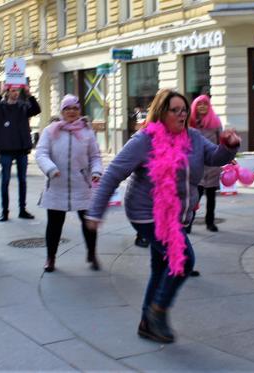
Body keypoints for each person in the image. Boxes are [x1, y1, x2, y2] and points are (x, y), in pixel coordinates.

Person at [86, 89, 240, 343]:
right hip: (146, 212)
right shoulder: (144, 140)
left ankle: (148, 323)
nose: (181, 115)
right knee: (183, 260)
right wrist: (95, 211)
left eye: (184, 110)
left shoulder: (194, 137)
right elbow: (113, 173)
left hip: (177, 213)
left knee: (161, 268)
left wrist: (229, 145)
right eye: (175, 110)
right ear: (161, 113)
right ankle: (158, 311)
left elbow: (214, 157)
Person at [35, 95, 103, 272]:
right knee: (54, 224)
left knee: (89, 222)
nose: (71, 112)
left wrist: (96, 172)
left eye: (74, 108)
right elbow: (41, 154)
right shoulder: (50, 131)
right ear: (62, 111)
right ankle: (51, 258)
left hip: (82, 185)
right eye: (67, 108)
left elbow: (95, 156)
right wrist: (51, 169)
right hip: (57, 185)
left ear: (79, 111)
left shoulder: (87, 132)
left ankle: (92, 253)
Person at [0, 84, 41, 222]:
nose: (15, 93)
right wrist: (0, 93)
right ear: (7, 92)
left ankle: (22, 209)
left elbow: (37, 109)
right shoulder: (1, 107)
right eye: (12, 91)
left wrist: (29, 94)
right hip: (6, 150)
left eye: (17, 90)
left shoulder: (23, 106)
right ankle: (4, 211)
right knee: (5, 181)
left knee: (22, 180)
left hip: (22, 149)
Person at [187, 95, 222, 233]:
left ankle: (210, 222)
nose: (202, 106)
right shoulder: (190, 123)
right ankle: (188, 223)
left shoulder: (215, 123)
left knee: (211, 197)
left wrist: (227, 156)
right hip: (197, 165)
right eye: (199, 104)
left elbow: (222, 142)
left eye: (205, 104)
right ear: (195, 106)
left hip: (212, 165)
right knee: (195, 197)